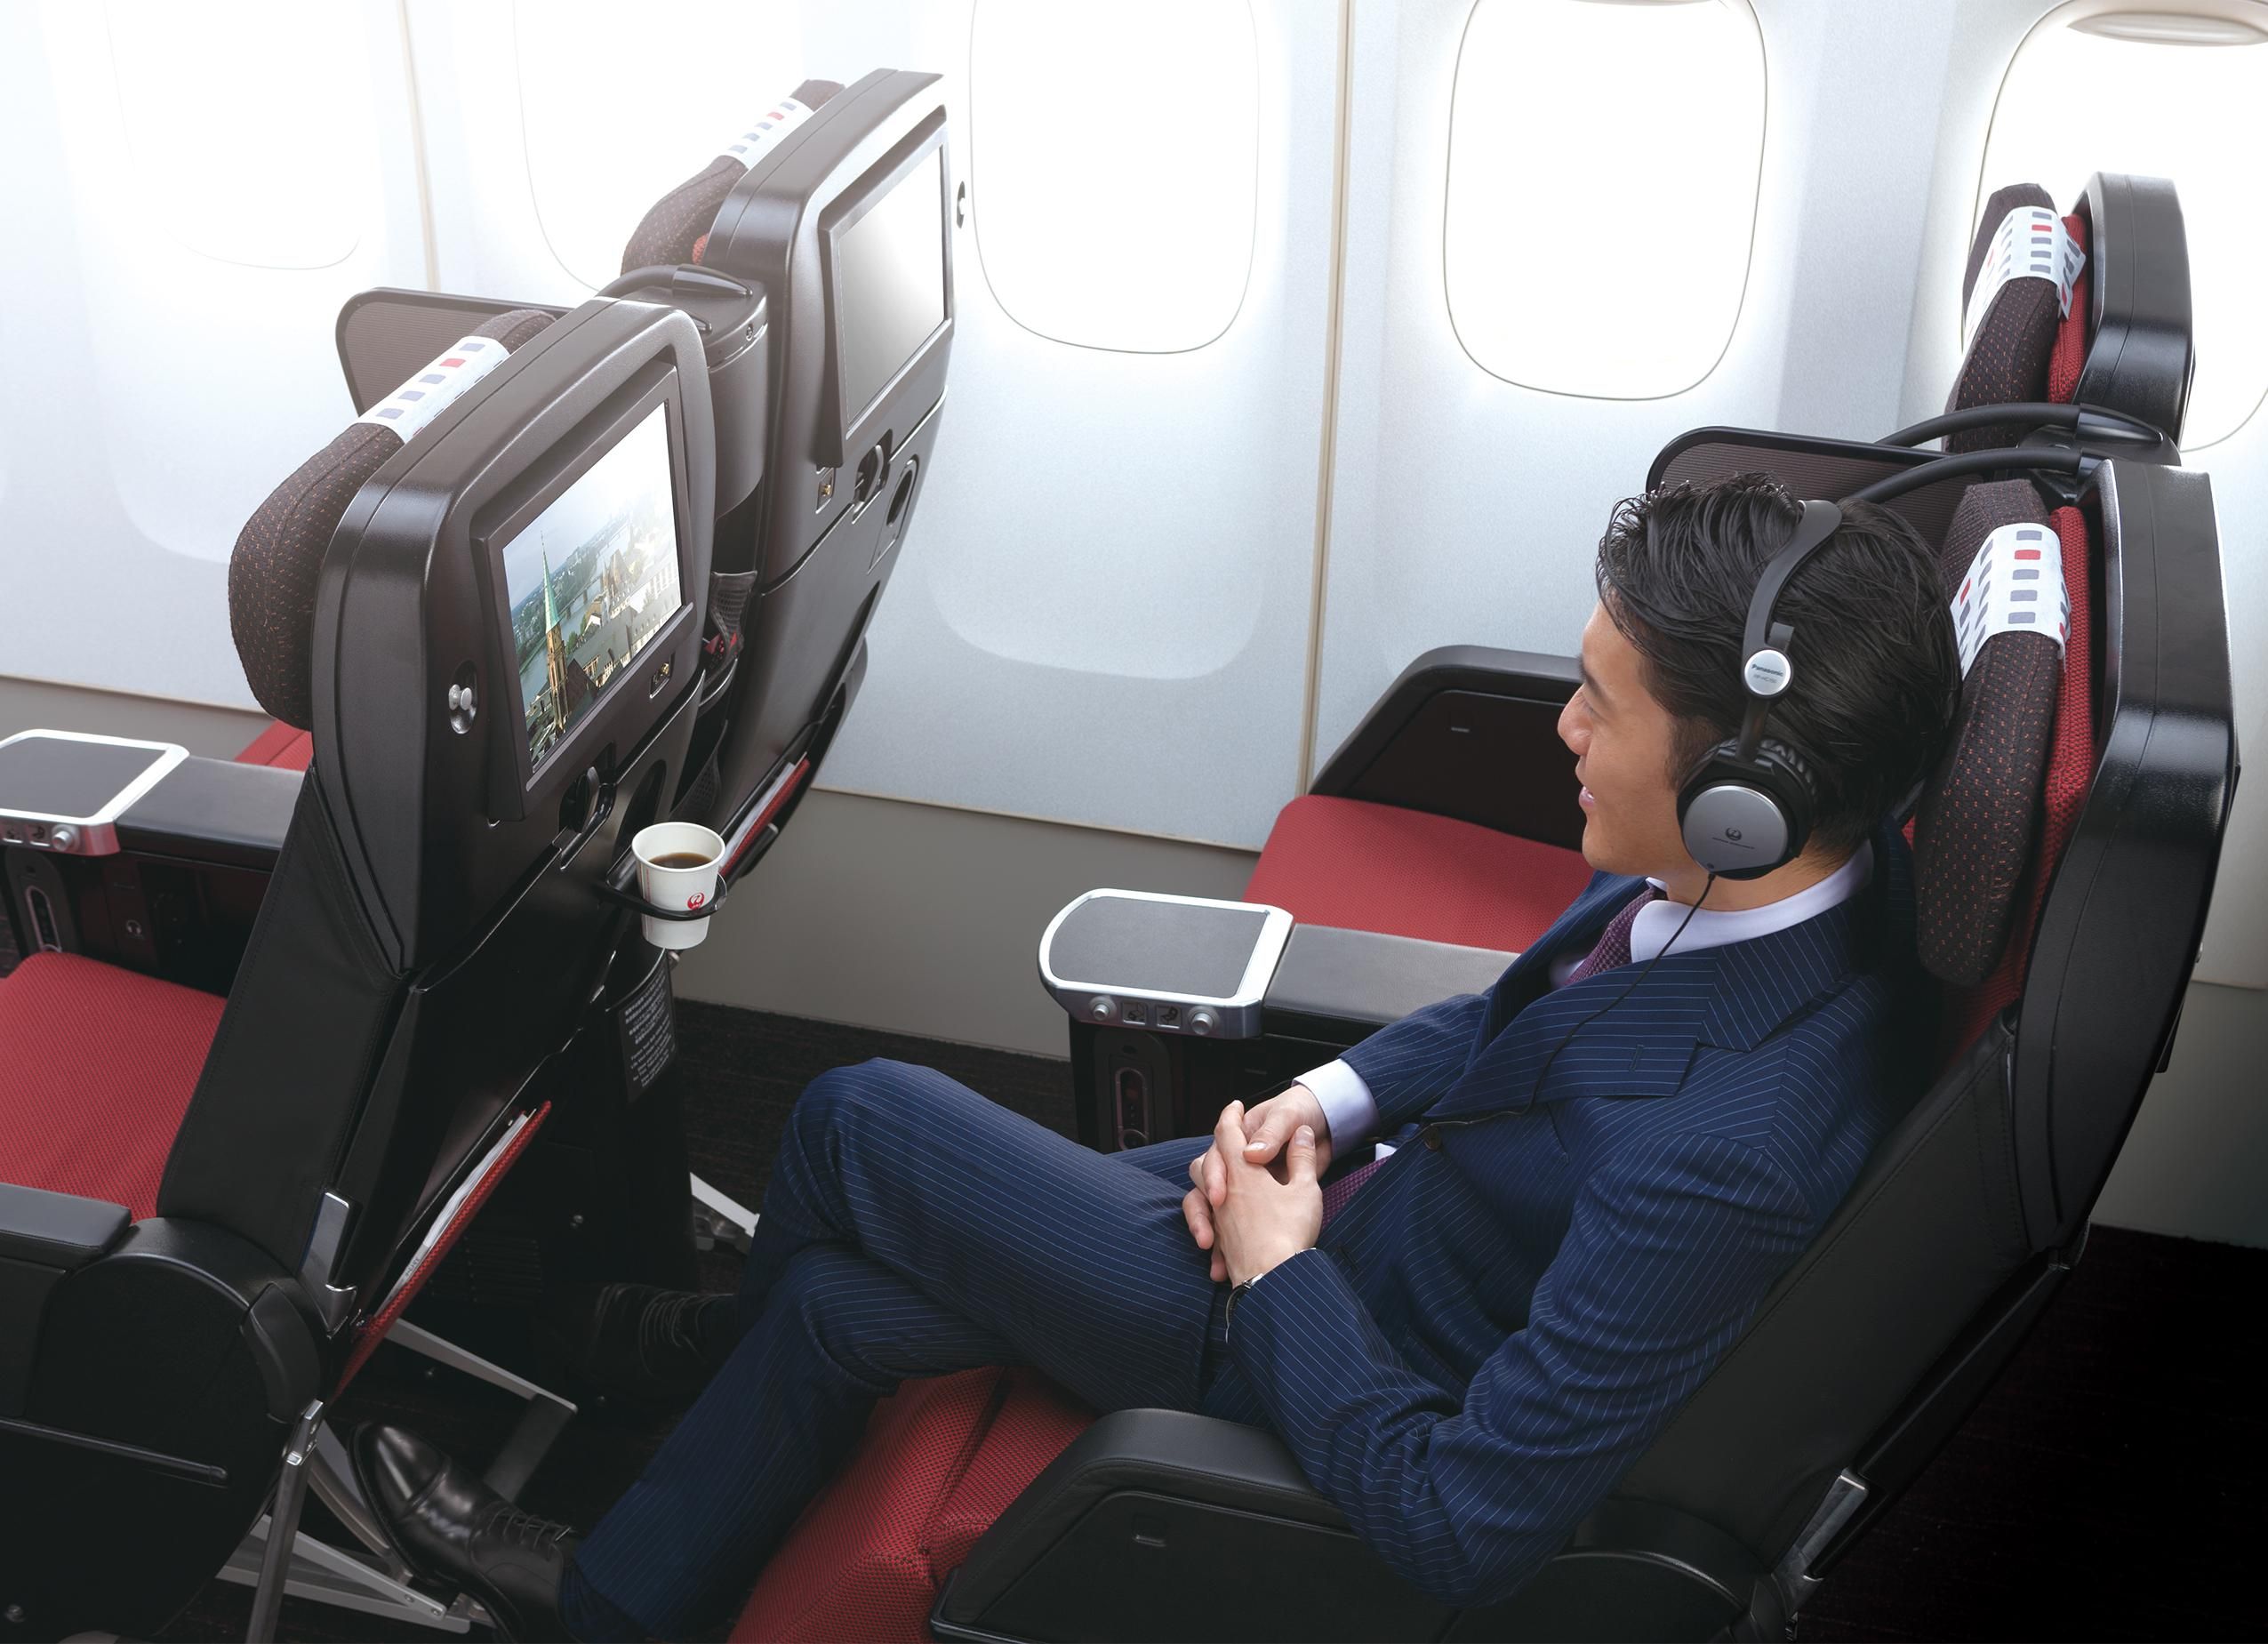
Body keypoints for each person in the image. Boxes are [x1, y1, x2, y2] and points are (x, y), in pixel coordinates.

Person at [356, 472, 1960, 1640]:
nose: (1561, 730)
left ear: (1746, 778)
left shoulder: (1729, 1152)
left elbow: (1463, 1522)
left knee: (851, 1126)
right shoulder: (1773, 869)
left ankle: (668, 1353)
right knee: (844, 1311)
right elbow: (1516, 1022)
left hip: (1328, 1352)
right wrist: (1322, 1103)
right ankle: (615, 1599)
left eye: (1601, 709)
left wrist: (1274, 1272)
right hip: (1354, 1211)